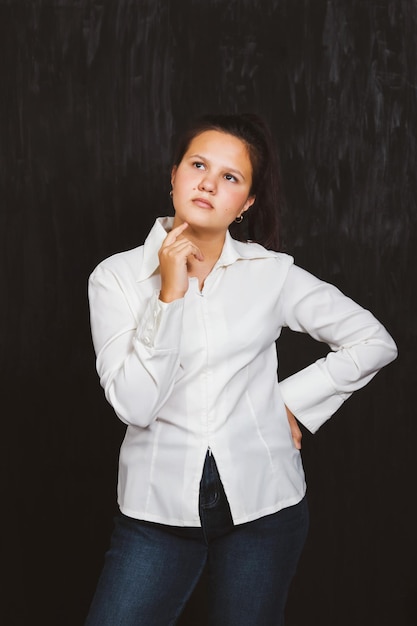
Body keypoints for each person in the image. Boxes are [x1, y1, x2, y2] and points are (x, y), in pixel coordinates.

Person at [85, 113, 397, 626]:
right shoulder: (115, 278)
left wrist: (287, 404)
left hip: (265, 509)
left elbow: (372, 340)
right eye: (198, 164)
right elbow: (135, 406)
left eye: (231, 176)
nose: (208, 182)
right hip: (155, 514)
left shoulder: (271, 274)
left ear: (247, 202)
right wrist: (169, 294)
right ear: (174, 176)